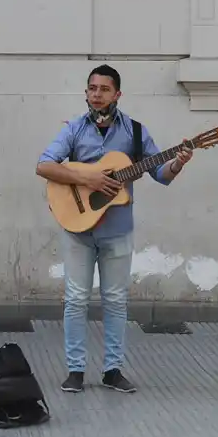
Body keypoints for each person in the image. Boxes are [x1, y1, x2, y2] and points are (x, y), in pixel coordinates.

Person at [35, 64, 192, 394]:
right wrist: (86, 177)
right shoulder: (75, 129)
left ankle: (112, 370)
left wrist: (177, 162)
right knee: (76, 300)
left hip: (118, 229)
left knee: (116, 301)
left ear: (117, 94)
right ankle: (75, 370)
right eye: (92, 88)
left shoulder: (134, 132)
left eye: (104, 89)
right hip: (78, 229)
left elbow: (160, 174)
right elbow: (45, 165)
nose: (97, 94)